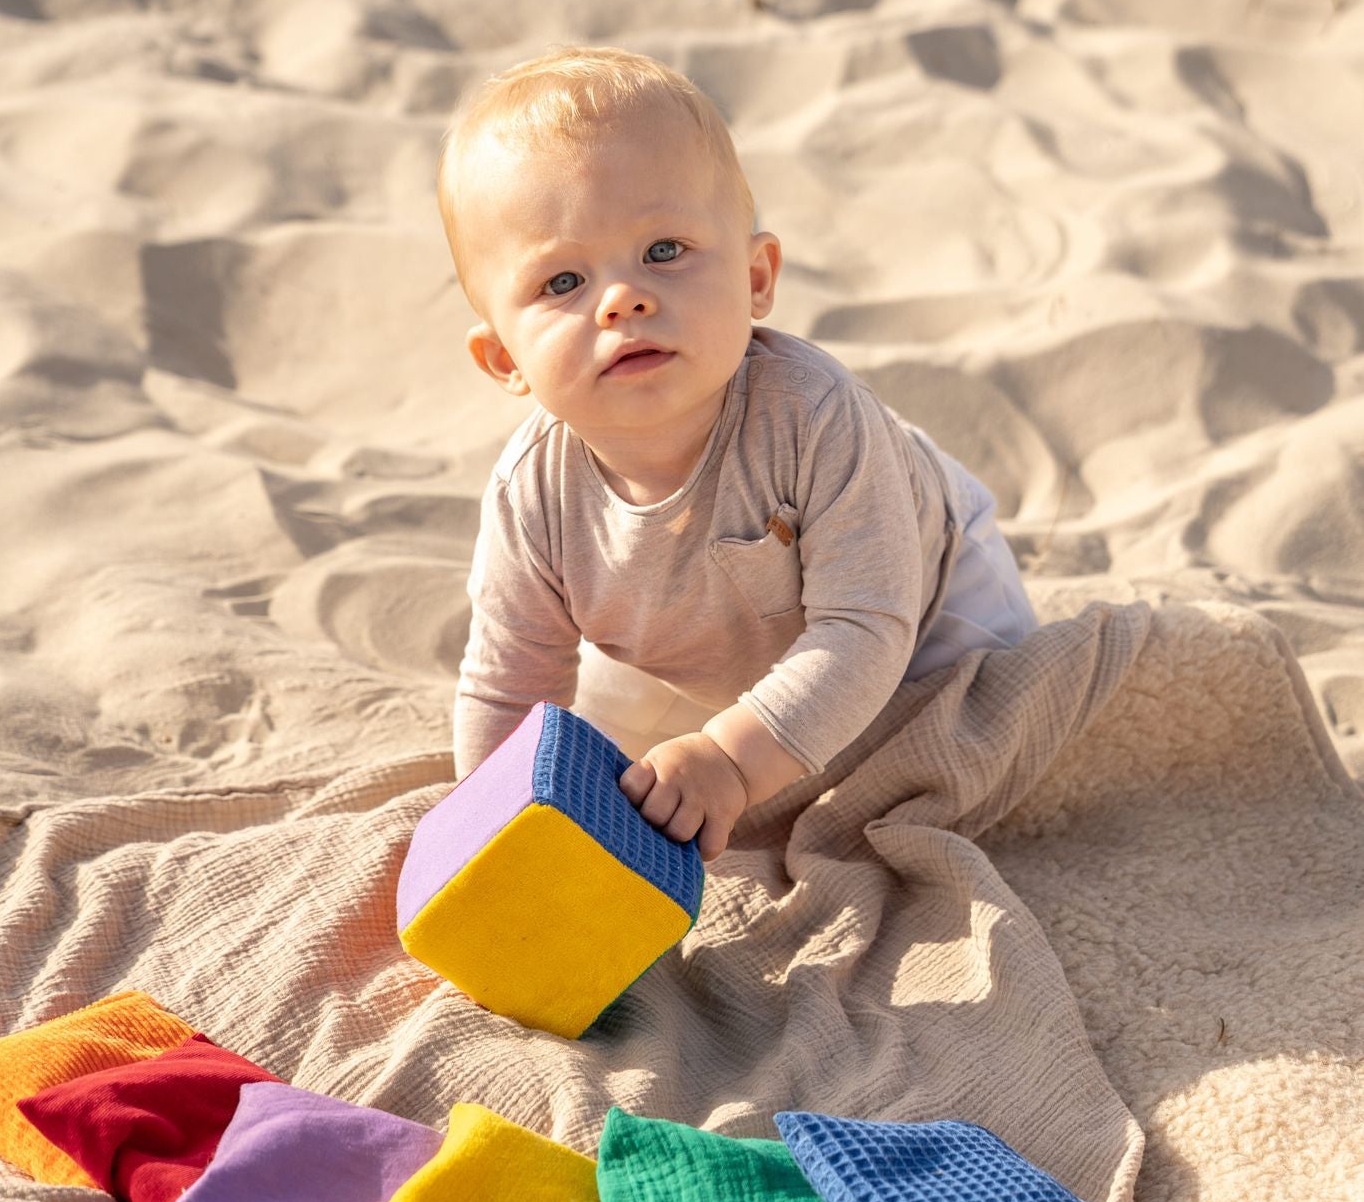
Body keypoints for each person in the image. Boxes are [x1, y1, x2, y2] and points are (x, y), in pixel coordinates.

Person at [440, 44, 1038, 862]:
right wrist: (491, 832)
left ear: (756, 278)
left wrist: (727, 758)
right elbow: (510, 686)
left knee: (976, 738)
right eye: (561, 284)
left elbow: (864, 629)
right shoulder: (532, 497)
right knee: (607, 754)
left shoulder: (815, 418)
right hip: (692, 635)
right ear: (505, 360)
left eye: (663, 252)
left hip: (926, 589)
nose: (623, 298)